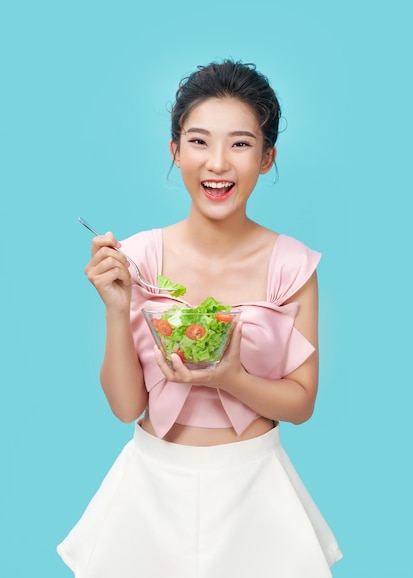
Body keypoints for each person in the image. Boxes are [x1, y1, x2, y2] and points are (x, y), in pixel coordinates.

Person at [57, 59, 342, 577]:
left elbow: (301, 404)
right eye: (198, 141)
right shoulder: (138, 258)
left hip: (256, 486)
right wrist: (118, 309)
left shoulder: (293, 265)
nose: (217, 164)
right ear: (175, 151)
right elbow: (126, 408)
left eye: (239, 143)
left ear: (266, 157)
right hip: (150, 487)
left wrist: (231, 376)